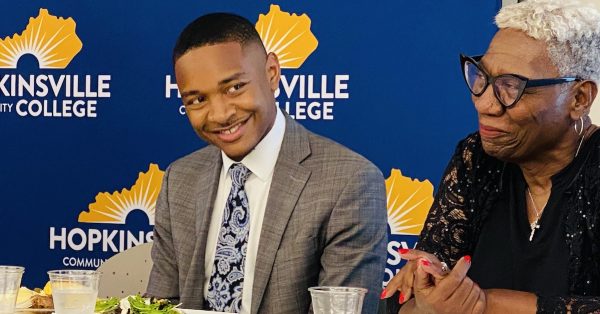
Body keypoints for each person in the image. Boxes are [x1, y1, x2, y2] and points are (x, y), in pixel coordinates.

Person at [145, 12, 388, 314]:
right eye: (197, 100)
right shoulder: (179, 179)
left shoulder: (350, 181)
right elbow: (159, 305)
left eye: (234, 88)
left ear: (272, 72)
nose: (220, 114)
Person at [382, 0, 600, 313]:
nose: (485, 104)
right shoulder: (477, 160)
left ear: (579, 98)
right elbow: (416, 294)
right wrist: (431, 292)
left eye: (511, 87)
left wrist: (486, 304)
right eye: (481, 77)